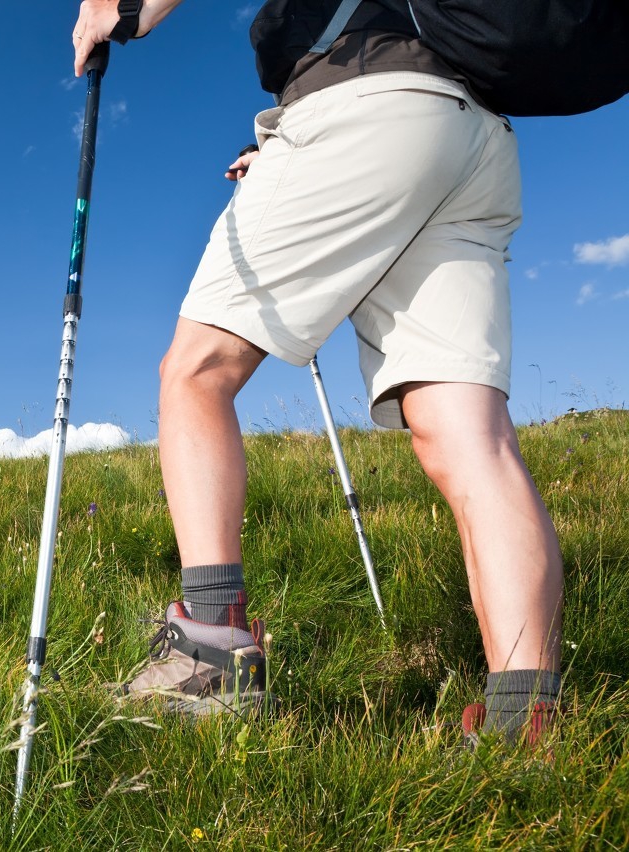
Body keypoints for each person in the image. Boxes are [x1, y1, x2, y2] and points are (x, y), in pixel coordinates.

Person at [71, 0, 564, 740]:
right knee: (473, 441)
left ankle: (209, 657)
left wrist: (124, 7)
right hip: (474, 138)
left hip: (365, 103)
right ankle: (526, 722)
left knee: (197, 371)